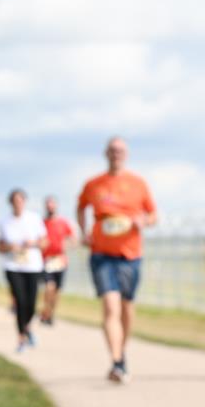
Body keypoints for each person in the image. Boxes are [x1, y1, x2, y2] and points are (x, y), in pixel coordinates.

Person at [77, 136, 157, 384]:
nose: (116, 154)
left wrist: (142, 221)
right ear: (106, 153)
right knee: (110, 305)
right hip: (102, 253)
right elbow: (80, 207)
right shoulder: (94, 184)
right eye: (112, 150)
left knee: (126, 308)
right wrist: (84, 232)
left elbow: (153, 214)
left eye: (120, 150)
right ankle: (117, 361)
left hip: (130, 254)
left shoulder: (138, 183)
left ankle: (122, 352)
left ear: (126, 154)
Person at [0, 189, 47, 352]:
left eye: (20, 200)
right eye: (14, 201)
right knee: (19, 300)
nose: (18, 204)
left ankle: (27, 328)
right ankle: (21, 338)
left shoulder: (34, 219)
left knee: (31, 303)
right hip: (13, 266)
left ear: (24, 202)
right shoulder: (4, 222)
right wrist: (10, 246)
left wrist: (31, 243)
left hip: (32, 265)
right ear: (10, 203)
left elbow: (45, 242)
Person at [40, 196, 76, 326]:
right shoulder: (42, 223)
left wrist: (68, 245)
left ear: (56, 206)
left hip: (60, 260)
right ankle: (45, 311)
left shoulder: (64, 223)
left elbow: (73, 239)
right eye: (48, 205)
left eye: (52, 205)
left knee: (57, 291)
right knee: (49, 287)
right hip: (46, 260)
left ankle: (50, 314)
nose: (50, 207)